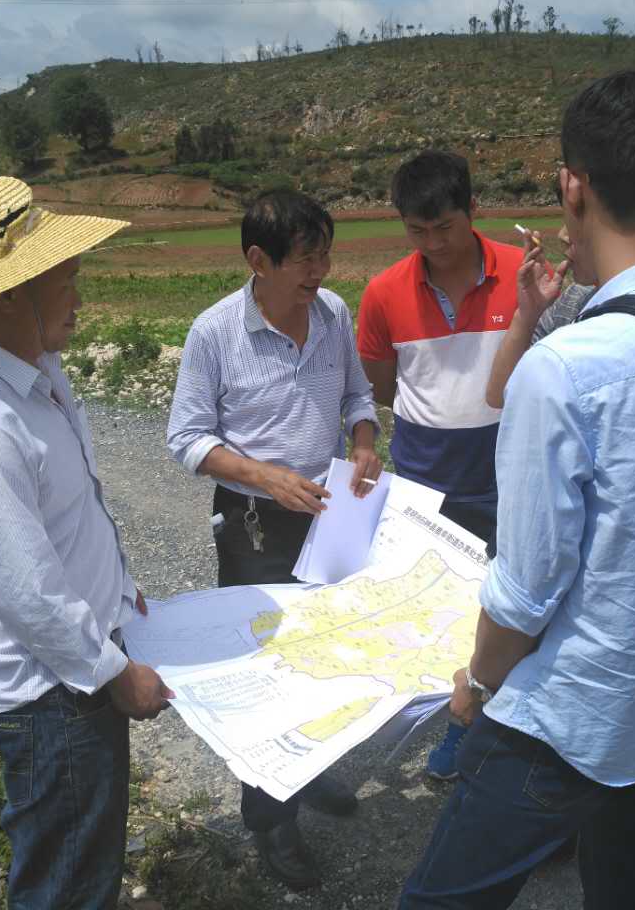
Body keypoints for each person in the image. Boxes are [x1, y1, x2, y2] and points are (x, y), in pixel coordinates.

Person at [398, 69, 635, 910]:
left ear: (572, 186)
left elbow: (527, 589)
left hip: (567, 715)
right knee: (626, 885)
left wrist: (477, 686)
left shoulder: (564, 367)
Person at [0, 176, 172, 910]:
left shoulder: (36, 375)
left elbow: (69, 515)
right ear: (6, 295)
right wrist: (115, 673)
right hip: (54, 698)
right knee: (66, 883)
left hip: (72, 678)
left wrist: (118, 588)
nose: (79, 298)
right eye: (66, 280)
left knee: (84, 861)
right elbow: (28, 594)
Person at [166, 189, 382, 891]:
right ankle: (270, 820)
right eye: (306, 258)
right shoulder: (214, 333)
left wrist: (363, 441)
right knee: (265, 671)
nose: (321, 270)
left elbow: (356, 394)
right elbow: (187, 438)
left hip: (329, 512)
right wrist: (265, 475)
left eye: (326, 254)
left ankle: (309, 771)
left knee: (324, 654)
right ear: (258, 260)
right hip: (256, 522)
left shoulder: (333, 313)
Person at [356, 149, 521, 780]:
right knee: (440, 613)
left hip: (510, 479)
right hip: (426, 484)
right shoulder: (384, 293)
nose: (432, 244)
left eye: (444, 228)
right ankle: (451, 729)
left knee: (511, 613)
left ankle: (502, 733)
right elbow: (381, 384)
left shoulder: (521, 274)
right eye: (417, 231)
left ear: (473, 210)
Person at [484, 223, 595, 409]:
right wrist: (526, 315)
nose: (563, 235)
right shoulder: (574, 300)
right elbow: (499, 395)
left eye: (579, 214)